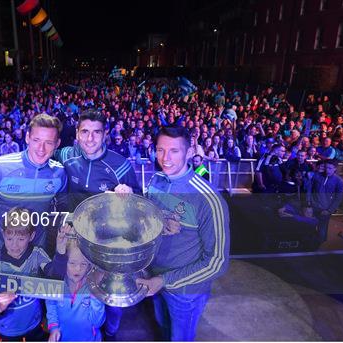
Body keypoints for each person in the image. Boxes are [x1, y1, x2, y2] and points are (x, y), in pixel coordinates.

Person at [136, 126, 230, 341]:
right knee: (164, 328)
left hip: (185, 292)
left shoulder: (208, 198)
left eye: (174, 151)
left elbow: (217, 262)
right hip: (154, 279)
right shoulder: (155, 180)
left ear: (189, 153)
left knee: (180, 338)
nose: (165, 158)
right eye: (160, 150)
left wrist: (164, 280)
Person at [54, 109, 141, 340]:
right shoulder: (65, 155)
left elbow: (141, 202)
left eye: (96, 132)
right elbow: (42, 155)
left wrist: (130, 193)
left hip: (106, 243)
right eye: (85, 132)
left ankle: (110, 332)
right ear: (77, 135)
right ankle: (72, 327)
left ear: (106, 135)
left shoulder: (120, 165)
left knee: (109, 295)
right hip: (75, 240)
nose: (90, 138)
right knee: (74, 287)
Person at [0, 113, 67, 270]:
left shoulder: (60, 173)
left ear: (57, 143)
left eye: (49, 143)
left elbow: (62, 211)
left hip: (37, 262)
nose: (41, 148)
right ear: (27, 138)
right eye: (36, 140)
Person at [0, 207, 70, 342]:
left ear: (31, 236)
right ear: (3, 234)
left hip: (35, 328)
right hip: (7, 334)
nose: (14, 245)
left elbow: (55, 278)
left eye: (21, 239)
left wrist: (61, 251)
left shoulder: (37, 254)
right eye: (9, 239)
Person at [46, 238, 106, 342]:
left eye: (83, 264)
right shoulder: (56, 284)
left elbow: (97, 322)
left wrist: (97, 295)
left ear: (89, 266)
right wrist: (54, 329)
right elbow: (51, 307)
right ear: (64, 262)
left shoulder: (93, 288)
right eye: (72, 263)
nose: (78, 269)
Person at [308, 159, 343, 243]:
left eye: (330, 168)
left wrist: (329, 210)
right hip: (313, 206)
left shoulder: (339, 181)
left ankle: (320, 245)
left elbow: (338, 198)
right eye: (326, 167)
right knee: (310, 226)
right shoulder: (317, 176)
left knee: (322, 229)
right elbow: (309, 190)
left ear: (335, 168)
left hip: (325, 209)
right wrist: (308, 203)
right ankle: (311, 243)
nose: (327, 170)